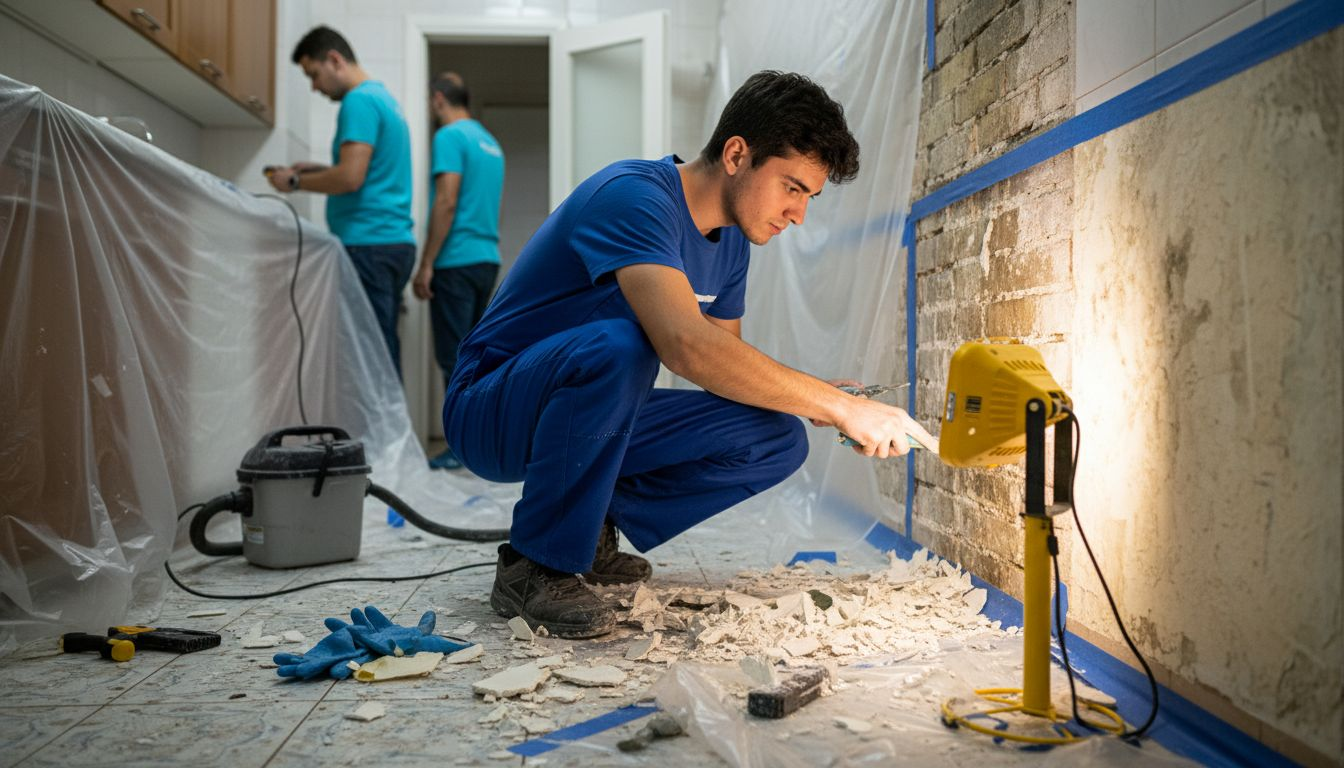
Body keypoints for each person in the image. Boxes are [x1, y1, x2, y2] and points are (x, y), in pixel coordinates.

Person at [443, 71, 933, 639]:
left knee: (775, 435)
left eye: (810, 197)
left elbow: (725, 367)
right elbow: (686, 346)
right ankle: (535, 565)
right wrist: (833, 406)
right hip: (489, 407)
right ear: (736, 154)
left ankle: (587, 524)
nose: (799, 213)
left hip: (581, 415)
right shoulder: (634, 196)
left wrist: (825, 402)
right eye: (792, 187)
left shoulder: (731, 245)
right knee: (621, 343)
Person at [269, 26, 416, 379]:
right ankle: (385, 432)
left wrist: (294, 181)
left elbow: (351, 178)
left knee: (369, 357)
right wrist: (320, 169)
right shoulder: (384, 100)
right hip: (390, 243)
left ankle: (382, 435)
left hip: (368, 245)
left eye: (314, 75)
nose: (315, 87)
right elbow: (370, 171)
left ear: (334, 60)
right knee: (379, 348)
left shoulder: (359, 101)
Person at [413, 73, 505, 471]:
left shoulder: (449, 136)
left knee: (453, 359)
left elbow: (447, 200)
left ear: (437, 100)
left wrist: (427, 261)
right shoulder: (491, 143)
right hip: (486, 258)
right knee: (474, 357)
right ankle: (477, 444)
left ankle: (458, 448)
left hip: (455, 259)